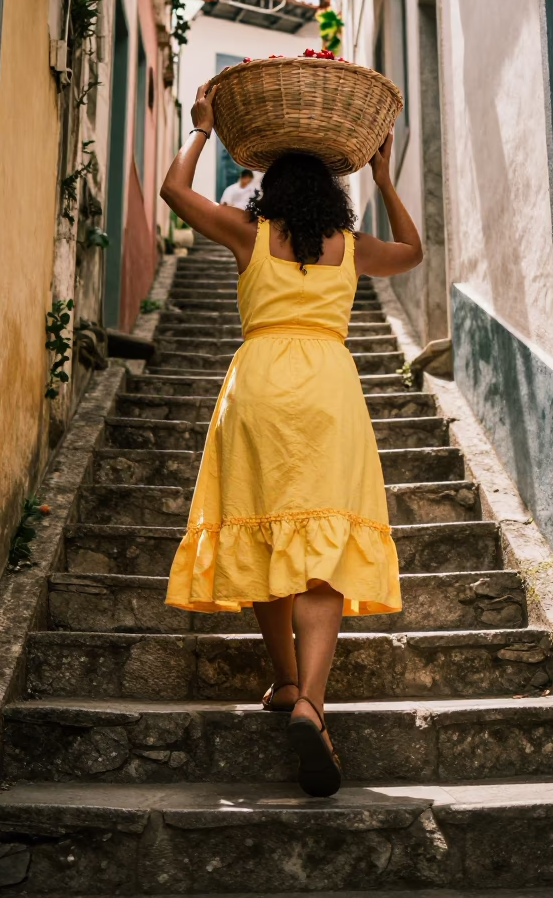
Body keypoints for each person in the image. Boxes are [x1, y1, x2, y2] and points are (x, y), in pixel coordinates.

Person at [159, 81, 423, 798]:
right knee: (323, 553)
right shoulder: (351, 248)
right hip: (330, 394)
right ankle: (309, 699)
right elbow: (412, 251)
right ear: (332, 199)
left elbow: (175, 195)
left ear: (271, 191)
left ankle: (282, 681)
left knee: (262, 535)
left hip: (260, 387)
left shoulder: (249, 236)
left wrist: (204, 131)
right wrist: (384, 175)